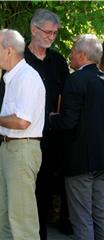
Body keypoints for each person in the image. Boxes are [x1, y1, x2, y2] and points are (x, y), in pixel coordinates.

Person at [0, 9, 71, 238]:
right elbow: (4, 101)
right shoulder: (18, 59)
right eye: (48, 32)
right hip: (16, 141)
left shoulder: (56, 62)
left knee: (35, 203)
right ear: (33, 30)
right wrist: (0, 131)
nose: (51, 37)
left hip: (42, 139)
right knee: (7, 212)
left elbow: (64, 100)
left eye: (55, 33)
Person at [0, 29, 46, 239]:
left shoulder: (27, 78)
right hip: (9, 148)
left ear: (9, 50)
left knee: (22, 220)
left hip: (22, 149)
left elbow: (22, 121)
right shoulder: (11, 77)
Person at [49, 34, 104, 240]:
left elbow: (68, 122)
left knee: (81, 218)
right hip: (102, 159)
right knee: (100, 214)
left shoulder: (76, 80)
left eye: (72, 51)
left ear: (82, 55)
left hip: (79, 160)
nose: (70, 55)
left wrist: (53, 118)